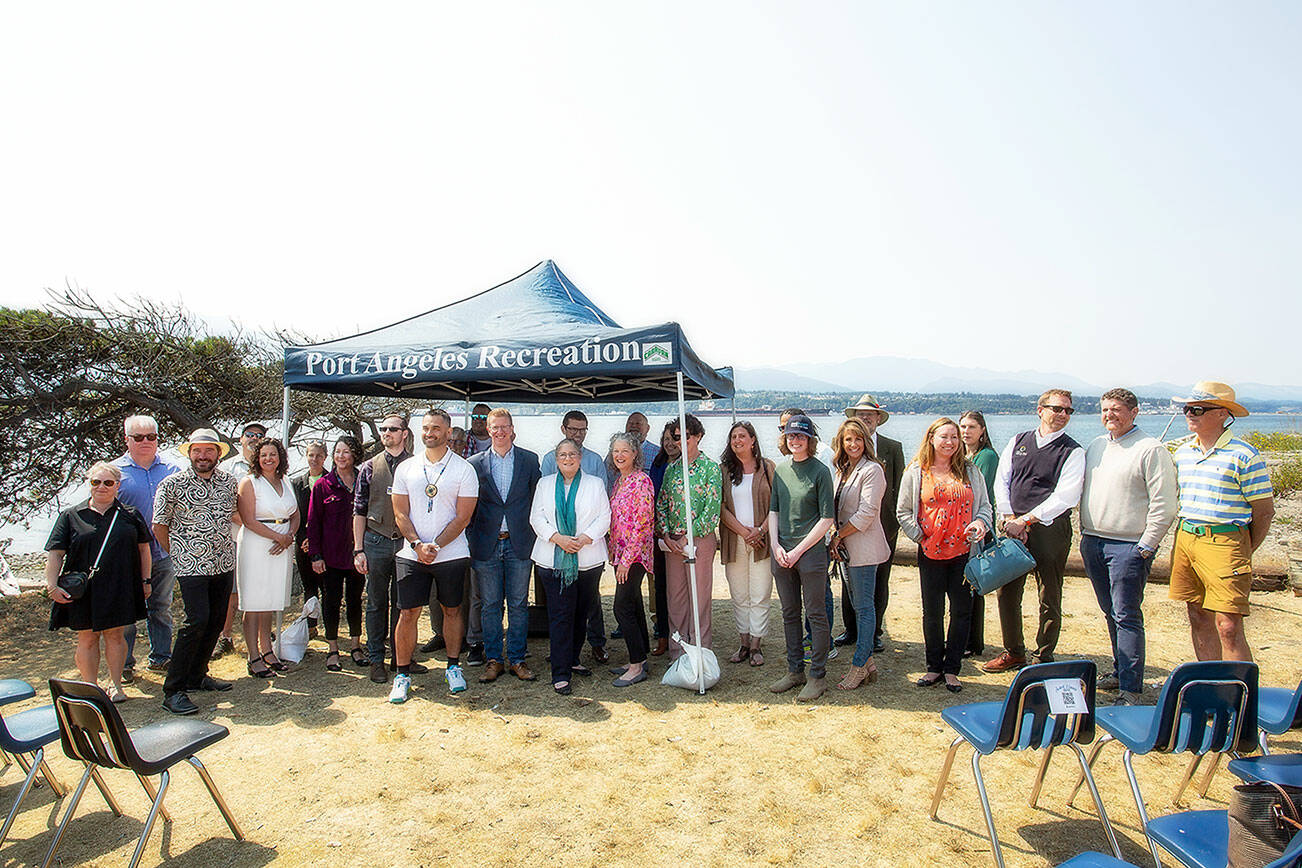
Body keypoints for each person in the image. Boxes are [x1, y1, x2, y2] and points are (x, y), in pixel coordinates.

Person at [1079, 389, 1177, 705]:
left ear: (1134, 412)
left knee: (1126, 615)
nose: (1110, 415)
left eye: (1117, 409)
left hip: (1129, 547)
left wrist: (1146, 547)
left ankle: (1132, 689)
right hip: (1093, 542)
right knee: (1110, 612)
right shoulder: (1096, 446)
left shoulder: (1151, 449)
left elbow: (1164, 504)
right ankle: (1121, 671)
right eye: (1105, 409)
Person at [1169, 381, 1275, 663]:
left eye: (1198, 409)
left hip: (1227, 539)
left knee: (1228, 625)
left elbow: (1264, 511)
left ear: (1222, 414)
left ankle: (1240, 695)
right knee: (1197, 615)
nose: (1190, 414)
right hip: (1187, 537)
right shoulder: (1183, 453)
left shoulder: (1244, 455)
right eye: (1187, 409)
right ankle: (1209, 685)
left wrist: (1243, 548)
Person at [985, 389, 1085, 673]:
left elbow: (1065, 496)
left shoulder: (1073, 451)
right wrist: (1008, 518)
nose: (1063, 414)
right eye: (1057, 408)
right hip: (1013, 527)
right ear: (1040, 409)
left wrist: (1026, 521)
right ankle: (1014, 651)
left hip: (1049, 530)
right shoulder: (1018, 441)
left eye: (1068, 410)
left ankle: (1043, 656)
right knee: (1007, 592)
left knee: (1049, 593)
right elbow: (1002, 481)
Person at [390, 409, 480, 702]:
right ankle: (402, 674)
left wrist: (436, 546)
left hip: (451, 554)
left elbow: (463, 518)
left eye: (436, 428)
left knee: (452, 610)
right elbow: (400, 512)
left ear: (448, 431)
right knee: (408, 613)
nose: (430, 433)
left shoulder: (464, 469)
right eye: (426, 428)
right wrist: (417, 544)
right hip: (411, 554)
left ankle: (453, 667)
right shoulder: (406, 468)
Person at [897, 418, 993, 693]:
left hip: (964, 553)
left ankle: (952, 669)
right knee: (932, 612)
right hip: (930, 552)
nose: (950, 442)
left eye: (954, 437)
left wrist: (980, 525)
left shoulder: (971, 471)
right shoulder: (916, 471)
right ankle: (933, 667)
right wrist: (920, 536)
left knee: (962, 612)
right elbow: (903, 511)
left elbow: (985, 507)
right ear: (931, 439)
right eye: (944, 437)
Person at [44, 463, 151, 703]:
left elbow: (144, 550)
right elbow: (56, 553)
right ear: (89, 483)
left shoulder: (130, 515)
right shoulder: (71, 515)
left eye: (108, 482)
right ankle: (90, 687)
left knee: (115, 635)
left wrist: (146, 581)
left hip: (120, 584)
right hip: (84, 589)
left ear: (117, 486)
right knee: (87, 637)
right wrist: (52, 586)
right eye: (96, 482)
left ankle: (115, 685)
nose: (102, 487)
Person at [153, 429, 240, 715]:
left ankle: (197, 674)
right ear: (190, 453)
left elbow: (237, 516)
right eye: (197, 451)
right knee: (196, 620)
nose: (203, 456)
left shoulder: (229, 482)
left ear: (218, 453)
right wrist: (178, 555)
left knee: (215, 620)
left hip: (222, 562)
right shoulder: (172, 484)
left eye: (209, 451)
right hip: (191, 566)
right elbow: (159, 525)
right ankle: (173, 689)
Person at [530, 439, 611, 695]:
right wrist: (558, 538)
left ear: (580, 457)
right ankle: (561, 672)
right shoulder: (544, 484)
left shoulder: (595, 484)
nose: (568, 459)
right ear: (556, 459)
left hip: (588, 559)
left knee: (581, 613)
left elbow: (604, 517)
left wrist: (585, 538)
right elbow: (536, 517)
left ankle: (573, 659)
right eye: (563, 455)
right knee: (561, 615)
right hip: (552, 558)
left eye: (572, 454)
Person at [466, 409, 541, 683]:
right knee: (490, 605)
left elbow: (537, 501)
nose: (500, 432)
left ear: (512, 429)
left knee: (519, 605)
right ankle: (494, 659)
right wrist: (473, 535)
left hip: (519, 543)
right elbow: (467, 505)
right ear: (488, 429)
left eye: (504, 427)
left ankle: (518, 659)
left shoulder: (529, 460)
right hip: (486, 544)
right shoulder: (474, 463)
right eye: (495, 427)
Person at [767, 414, 836, 702]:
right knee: (789, 614)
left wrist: (798, 551)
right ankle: (795, 671)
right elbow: (774, 512)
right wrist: (775, 546)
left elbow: (826, 518)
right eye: (791, 436)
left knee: (816, 614)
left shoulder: (820, 472)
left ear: (810, 440)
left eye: (801, 436)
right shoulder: (781, 471)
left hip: (810, 555)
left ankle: (817, 676)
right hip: (782, 554)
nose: (795, 441)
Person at [113, 414, 182, 683]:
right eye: (138, 437)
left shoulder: (172, 470)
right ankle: (126, 663)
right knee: (127, 612)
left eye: (151, 437)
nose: (145, 442)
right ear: (127, 439)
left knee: (161, 607)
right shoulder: (114, 472)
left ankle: (161, 657)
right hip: (127, 557)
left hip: (163, 553)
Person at [837, 394, 905, 657]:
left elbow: (898, 488)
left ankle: (874, 634)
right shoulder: (843, 459)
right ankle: (851, 630)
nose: (865, 418)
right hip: (848, 534)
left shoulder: (892, 448)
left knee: (878, 584)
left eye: (870, 415)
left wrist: (895, 524)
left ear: (878, 419)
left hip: (882, 528)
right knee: (848, 584)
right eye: (860, 415)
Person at [541, 410, 611, 663]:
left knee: (590, 601)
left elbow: (603, 501)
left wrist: (584, 537)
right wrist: (560, 537)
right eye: (573, 429)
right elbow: (546, 503)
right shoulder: (549, 459)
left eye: (582, 430)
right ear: (564, 429)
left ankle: (596, 643)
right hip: (557, 546)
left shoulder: (594, 460)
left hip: (587, 546)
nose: (577, 434)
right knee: (562, 604)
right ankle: (564, 652)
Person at [828, 418, 890, 690]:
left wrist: (839, 535)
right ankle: (868, 664)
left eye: (858, 439)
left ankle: (858, 665)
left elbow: (866, 513)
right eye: (847, 440)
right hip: (847, 548)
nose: (853, 444)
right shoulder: (843, 469)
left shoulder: (872, 470)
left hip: (863, 548)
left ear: (866, 441)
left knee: (865, 608)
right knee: (856, 604)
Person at [352, 415, 414, 684]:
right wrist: (358, 549)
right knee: (377, 603)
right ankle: (376, 659)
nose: (387, 433)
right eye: (384, 429)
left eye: (393, 429)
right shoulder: (368, 467)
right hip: (375, 541)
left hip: (404, 542)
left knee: (404, 605)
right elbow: (359, 510)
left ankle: (401, 658)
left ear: (405, 433)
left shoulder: (416, 466)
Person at [656, 414, 723, 663]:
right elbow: (661, 503)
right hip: (672, 542)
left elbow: (711, 509)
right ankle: (678, 653)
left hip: (699, 540)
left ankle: (700, 653)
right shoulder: (672, 469)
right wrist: (665, 533)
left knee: (699, 598)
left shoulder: (710, 468)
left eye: (684, 436)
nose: (678, 441)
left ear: (697, 437)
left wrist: (688, 537)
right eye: (675, 437)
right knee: (675, 599)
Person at [236, 437, 299, 678]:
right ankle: (253, 657)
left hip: (282, 545)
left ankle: (268, 650)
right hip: (258, 544)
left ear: (280, 457)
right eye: (264, 455)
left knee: (269, 602)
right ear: (257, 458)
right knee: (254, 603)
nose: (268, 459)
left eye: (273, 454)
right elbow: (248, 520)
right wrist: (277, 537)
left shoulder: (286, 481)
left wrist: (289, 536)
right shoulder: (249, 482)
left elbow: (295, 514)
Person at [308, 436, 368, 673]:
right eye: (337, 452)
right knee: (331, 601)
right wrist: (315, 555)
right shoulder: (323, 485)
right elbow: (313, 522)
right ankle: (332, 648)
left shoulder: (363, 481)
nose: (341, 456)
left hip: (356, 555)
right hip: (330, 556)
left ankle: (355, 645)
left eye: (345, 452)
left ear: (354, 455)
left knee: (355, 600)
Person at [718, 421, 775, 667]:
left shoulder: (768, 468)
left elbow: (777, 504)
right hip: (735, 540)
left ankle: (756, 645)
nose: (737, 440)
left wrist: (760, 530)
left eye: (742, 436)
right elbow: (719, 507)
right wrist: (743, 532)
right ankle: (743, 642)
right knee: (739, 593)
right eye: (733, 437)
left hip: (763, 539)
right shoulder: (723, 471)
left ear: (753, 440)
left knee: (760, 593)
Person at [213, 420, 266, 658]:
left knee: (260, 587)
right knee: (231, 592)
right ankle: (224, 636)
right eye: (250, 435)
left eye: (259, 435)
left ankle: (262, 635)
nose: (254, 439)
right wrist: (247, 522)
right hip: (233, 537)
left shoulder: (269, 465)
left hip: (263, 539)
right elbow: (223, 504)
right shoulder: (226, 468)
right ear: (240, 439)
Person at [607, 432, 656, 687]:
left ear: (635, 453)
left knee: (621, 606)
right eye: (616, 450)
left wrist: (626, 560)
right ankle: (640, 657)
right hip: (619, 554)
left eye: (624, 450)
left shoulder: (641, 481)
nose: (619, 455)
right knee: (634, 604)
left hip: (634, 556)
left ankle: (636, 666)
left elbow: (643, 524)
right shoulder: (620, 481)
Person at [959, 410, 999, 658]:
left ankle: (972, 641)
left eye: (972, 427)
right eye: (962, 426)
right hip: (963, 527)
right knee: (967, 583)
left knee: (973, 584)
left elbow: (977, 494)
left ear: (982, 430)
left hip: (976, 527)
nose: (966, 431)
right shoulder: (964, 455)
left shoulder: (986, 457)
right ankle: (968, 638)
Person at [646, 422, 680, 657]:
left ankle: (681, 634)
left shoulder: (688, 465)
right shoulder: (657, 464)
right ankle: (662, 636)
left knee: (679, 588)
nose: (669, 444)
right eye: (665, 439)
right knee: (660, 586)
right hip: (658, 533)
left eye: (673, 439)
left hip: (680, 534)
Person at [292, 441, 329, 635]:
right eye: (311, 455)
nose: (314, 459)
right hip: (304, 543)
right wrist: (303, 539)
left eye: (318, 456)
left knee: (328, 587)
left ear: (325, 457)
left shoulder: (332, 480)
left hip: (326, 544)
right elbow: (295, 514)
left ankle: (331, 626)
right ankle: (311, 625)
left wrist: (318, 540)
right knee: (309, 586)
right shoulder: (297, 483)